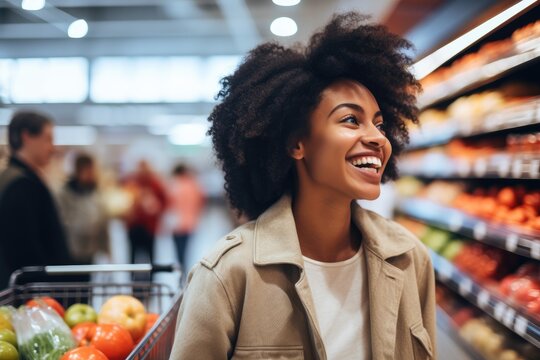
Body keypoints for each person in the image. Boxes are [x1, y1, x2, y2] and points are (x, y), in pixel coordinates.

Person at [169, 12, 436, 360]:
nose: (377, 139)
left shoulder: (409, 259)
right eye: (351, 119)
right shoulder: (227, 274)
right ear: (297, 144)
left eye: (380, 124)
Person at [0, 111, 73, 288]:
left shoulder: (16, 178)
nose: (52, 147)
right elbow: (24, 251)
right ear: (27, 137)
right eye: (47, 138)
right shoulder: (21, 185)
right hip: (32, 297)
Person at [57, 153, 110, 264]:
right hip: (72, 251)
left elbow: (103, 222)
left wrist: (107, 251)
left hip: (90, 250)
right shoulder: (65, 194)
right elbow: (62, 221)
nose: (92, 174)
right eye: (89, 170)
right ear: (79, 170)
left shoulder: (95, 192)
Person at [123, 160, 167, 269]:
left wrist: (156, 208)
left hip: (149, 227)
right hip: (134, 226)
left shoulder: (155, 183)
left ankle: (151, 281)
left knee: (151, 256)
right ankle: (133, 281)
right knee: (132, 256)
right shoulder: (131, 183)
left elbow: (164, 202)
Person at [168, 164, 205, 272]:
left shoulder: (173, 185)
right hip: (190, 222)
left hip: (175, 223)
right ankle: (184, 269)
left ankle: (180, 268)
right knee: (186, 249)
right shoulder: (193, 185)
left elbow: (168, 204)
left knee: (178, 249)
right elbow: (200, 202)